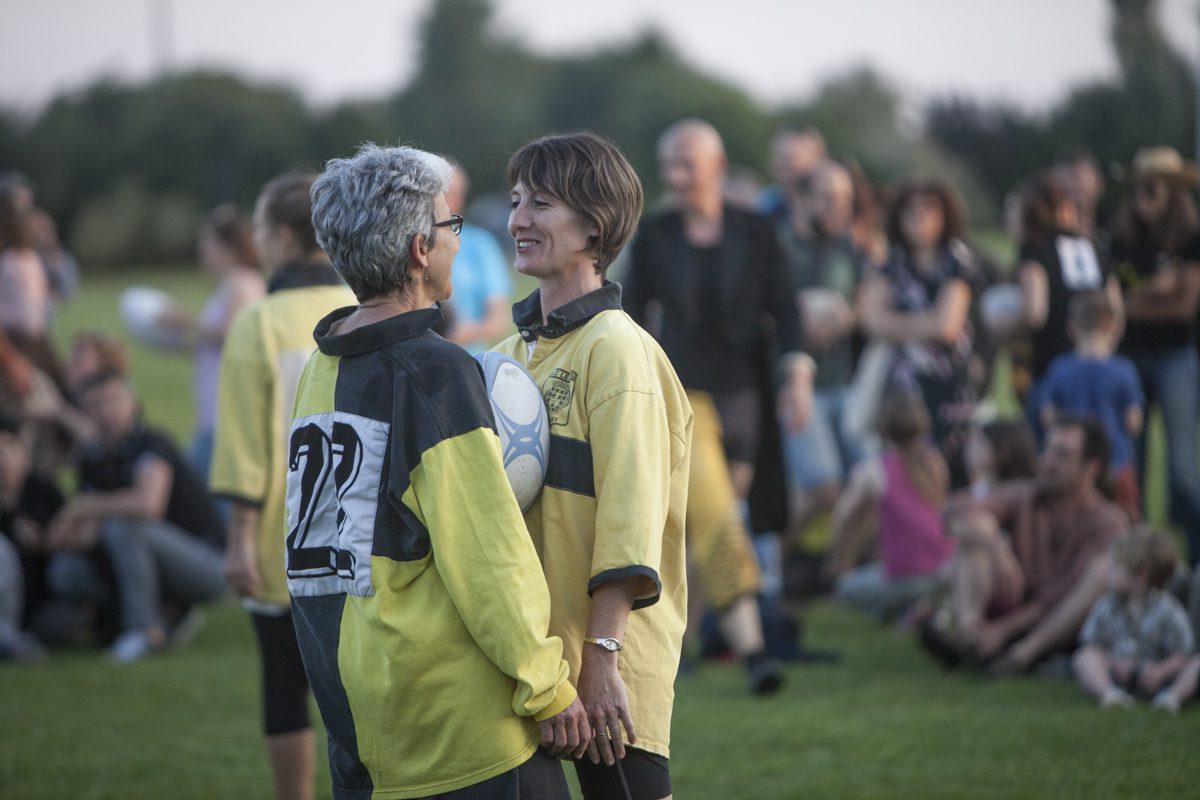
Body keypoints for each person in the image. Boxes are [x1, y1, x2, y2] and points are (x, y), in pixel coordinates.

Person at [290, 143, 586, 800]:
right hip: (458, 734)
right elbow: (487, 556)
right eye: (451, 225)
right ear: (420, 250)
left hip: (360, 724)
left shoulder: (321, 366)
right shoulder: (435, 372)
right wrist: (547, 688)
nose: (458, 238)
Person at [493, 131, 692, 800]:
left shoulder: (617, 349)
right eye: (516, 200)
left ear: (595, 224)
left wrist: (601, 656)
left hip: (605, 657)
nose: (518, 220)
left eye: (541, 203)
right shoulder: (507, 356)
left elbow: (632, 518)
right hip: (532, 662)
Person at [625, 119, 813, 694]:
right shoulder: (656, 235)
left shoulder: (756, 230)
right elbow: (631, 315)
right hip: (686, 394)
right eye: (669, 164)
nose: (676, 175)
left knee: (705, 524)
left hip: (747, 399)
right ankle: (754, 651)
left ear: (718, 165)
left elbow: (786, 307)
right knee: (720, 518)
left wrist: (797, 375)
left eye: (687, 163)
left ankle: (674, 643)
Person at [209, 172, 355, 800]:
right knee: (359, 683)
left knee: (283, 681)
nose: (257, 241)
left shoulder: (258, 323)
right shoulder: (365, 306)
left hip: (282, 539)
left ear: (286, 237)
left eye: (261, 229)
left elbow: (245, 447)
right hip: (362, 535)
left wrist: (239, 540)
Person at [45, 370, 227, 662]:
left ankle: (144, 628)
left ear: (132, 401)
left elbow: (148, 504)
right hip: (151, 558)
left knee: (124, 527)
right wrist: (57, 536)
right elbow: (87, 531)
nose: (105, 411)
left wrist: (87, 504)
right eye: (95, 405)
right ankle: (164, 614)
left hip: (208, 563)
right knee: (66, 571)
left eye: (113, 400)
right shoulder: (92, 458)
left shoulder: (152, 443)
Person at [927, 417, 1128, 674]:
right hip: (1018, 604)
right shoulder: (1028, 494)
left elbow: (1063, 594)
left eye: (1062, 454)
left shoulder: (1107, 521)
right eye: (1047, 450)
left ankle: (1020, 656)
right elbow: (953, 511)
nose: (1048, 460)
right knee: (976, 533)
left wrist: (1002, 630)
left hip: (1063, 624)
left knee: (1102, 570)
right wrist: (995, 546)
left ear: (1092, 466)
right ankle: (970, 639)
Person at [1109, 146, 1200, 565]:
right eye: (1138, 190)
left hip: (1174, 357)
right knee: (1135, 461)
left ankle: (1194, 556)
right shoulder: (1121, 240)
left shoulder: (1191, 241)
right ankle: (1140, 555)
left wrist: (1126, 305)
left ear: (1172, 194)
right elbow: (1108, 305)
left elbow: (1184, 308)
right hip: (1130, 358)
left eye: (1153, 190)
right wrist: (1152, 292)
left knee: (1181, 464)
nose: (1143, 199)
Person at [859, 179, 980, 488]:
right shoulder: (888, 263)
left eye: (929, 209)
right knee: (900, 468)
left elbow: (947, 327)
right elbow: (871, 320)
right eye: (911, 209)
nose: (919, 216)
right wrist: (927, 324)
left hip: (947, 386)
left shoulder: (957, 261)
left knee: (946, 470)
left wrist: (895, 325)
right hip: (902, 386)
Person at [779, 160, 869, 546]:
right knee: (823, 487)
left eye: (846, 199)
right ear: (802, 199)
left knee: (870, 481)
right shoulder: (779, 247)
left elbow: (865, 302)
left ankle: (834, 569)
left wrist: (848, 316)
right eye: (829, 197)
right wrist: (797, 316)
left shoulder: (849, 249)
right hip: (795, 386)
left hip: (846, 382)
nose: (840, 207)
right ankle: (765, 561)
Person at [824, 390, 954, 621]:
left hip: (911, 574)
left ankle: (898, 607)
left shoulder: (875, 470)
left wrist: (838, 560)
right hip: (947, 563)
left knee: (846, 589)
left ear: (882, 426)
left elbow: (843, 517)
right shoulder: (935, 461)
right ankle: (918, 605)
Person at [158, 204, 265, 477]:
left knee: (196, 486)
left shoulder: (242, 282)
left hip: (226, 418)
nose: (202, 251)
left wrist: (185, 320)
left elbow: (233, 334)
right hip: (214, 415)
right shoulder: (232, 283)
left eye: (208, 243)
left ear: (227, 248)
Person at [1015, 171, 1122, 431]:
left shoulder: (1036, 248)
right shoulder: (1094, 246)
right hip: (1098, 369)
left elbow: (1035, 312)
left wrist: (1008, 327)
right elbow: (1116, 310)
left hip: (1051, 368)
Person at [1040, 291, 1144, 517]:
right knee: (1123, 520)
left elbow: (1048, 417)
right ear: (1113, 326)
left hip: (1076, 468)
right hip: (1117, 463)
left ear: (1071, 328)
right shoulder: (1124, 370)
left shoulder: (1060, 368)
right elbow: (1133, 422)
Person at [1073, 526, 1199, 712]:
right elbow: (1091, 643)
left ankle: (1172, 698)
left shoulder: (1169, 611)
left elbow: (1183, 654)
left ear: (1140, 576)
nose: (1109, 572)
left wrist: (1161, 671)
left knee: (1196, 663)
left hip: (1159, 678)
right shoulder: (1106, 606)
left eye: (1115, 567)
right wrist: (1114, 663)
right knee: (1084, 657)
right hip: (1117, 675)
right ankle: (1109, 694)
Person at [442, 161, 514, 352]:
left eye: (453, 194)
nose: (447, 200)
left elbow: (499, 320)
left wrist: (463, 332)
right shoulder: (409, 243)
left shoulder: (480, 243)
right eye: (441, 193)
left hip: (467, 357)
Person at [964, 418, 1038, 501]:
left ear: (1003, 451)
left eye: (979, 442)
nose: (969, 450)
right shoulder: (985, 485)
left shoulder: (1022, 493)